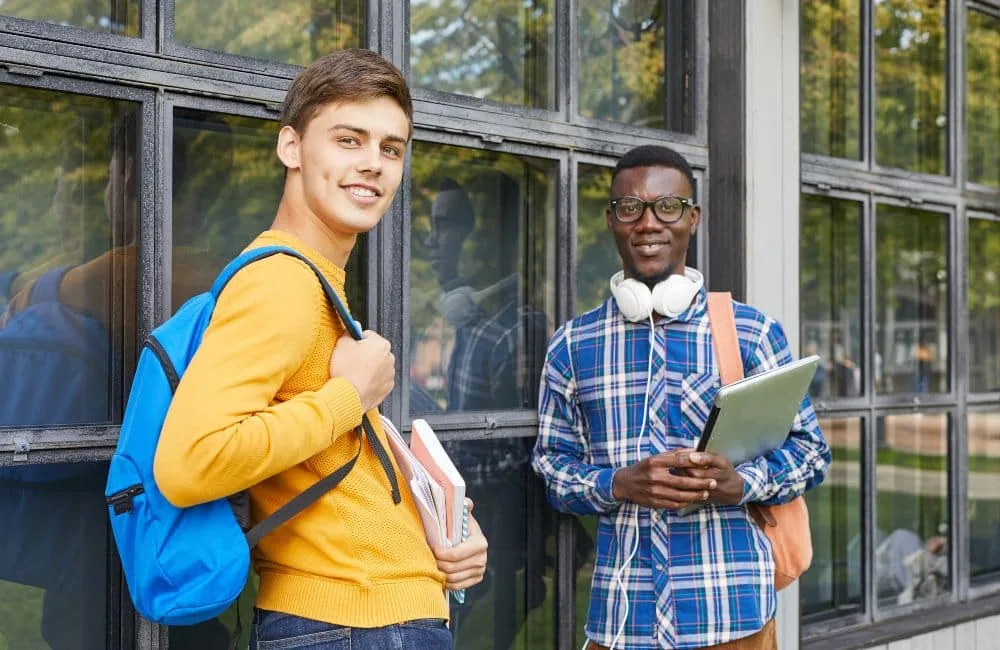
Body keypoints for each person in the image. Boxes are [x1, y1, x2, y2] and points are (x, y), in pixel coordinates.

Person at [152, 49, 487, 650]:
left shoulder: (317, 280)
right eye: (349, 139)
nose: (374, 165)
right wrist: (349, 397)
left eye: (391, 148)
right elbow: (190, 462)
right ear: (291, 148)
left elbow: (336, 464)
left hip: (374, 617)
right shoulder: (280, 282)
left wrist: (442, 527)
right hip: (347, 625)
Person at [531, 145, 831, 650]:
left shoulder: (751, 332)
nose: (649, 222)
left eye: (667, 207)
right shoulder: (571, 344)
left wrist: (742, 483)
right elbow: (552, 470)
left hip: (734, 619)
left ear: (693, 218)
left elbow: (810, 454)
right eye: (631, 208)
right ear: (612, 221)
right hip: (623, 622)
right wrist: (618, 483)